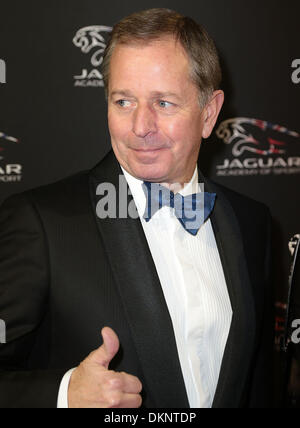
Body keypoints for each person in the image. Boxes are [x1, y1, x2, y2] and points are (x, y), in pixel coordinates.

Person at [0, 8, 273, 408]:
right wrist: (62, 395)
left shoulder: (251, 222)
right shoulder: (40, 225)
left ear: (209, 114)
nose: (140, 126)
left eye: (163, 103)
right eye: (124, 101)